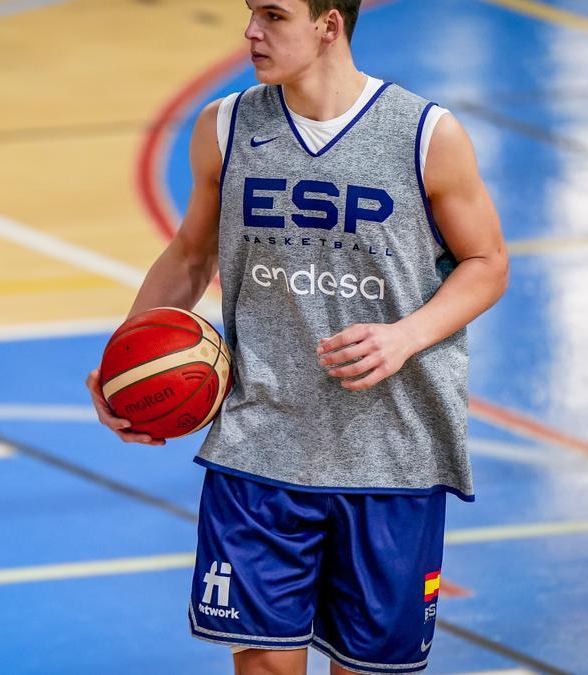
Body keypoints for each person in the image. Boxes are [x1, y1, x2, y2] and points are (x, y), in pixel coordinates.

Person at [86, 1, 508, 673]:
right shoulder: (224, 128)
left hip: (393, 453)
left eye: (273, 15)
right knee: (263, 665)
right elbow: (192, 256)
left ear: (329, 24)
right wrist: (123, 364)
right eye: (250, 12)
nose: (251, 32)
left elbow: (487, 263)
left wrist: (406, 335)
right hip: (261, 447)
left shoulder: (425, 134)